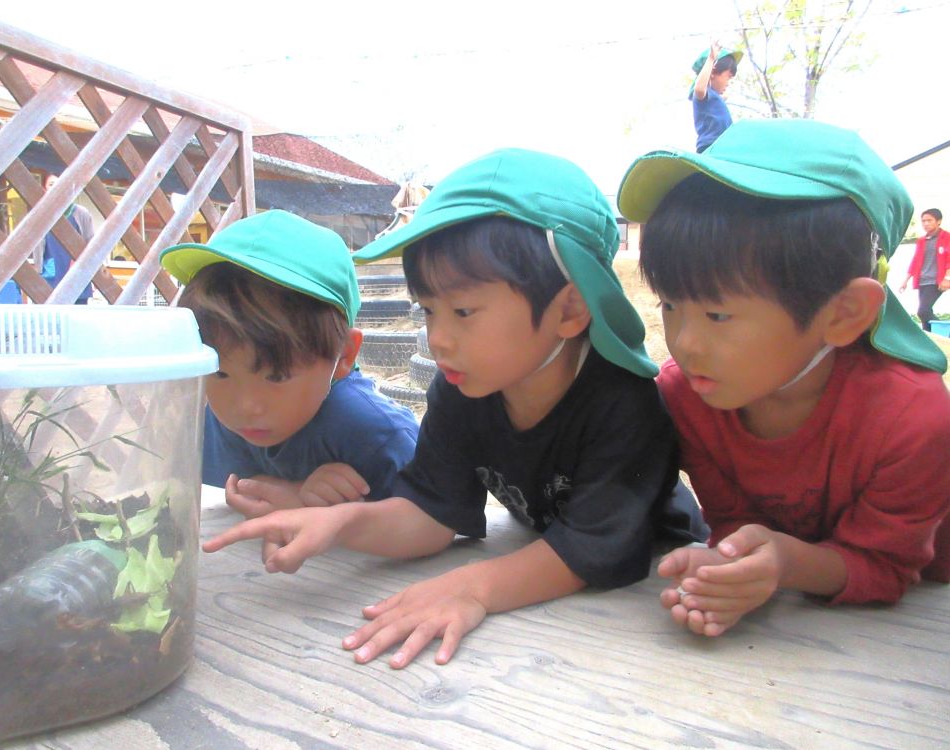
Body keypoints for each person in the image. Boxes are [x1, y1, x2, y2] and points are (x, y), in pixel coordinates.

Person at [201, 149, 707, 668]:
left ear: (571, 308)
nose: (437, 339)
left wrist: (473, 588)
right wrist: (339, 522)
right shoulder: (465, 389)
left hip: (653, 596)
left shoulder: (622, 403)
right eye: (429, 309)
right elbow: (431, 515)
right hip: (545, 573)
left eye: (463, 311)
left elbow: (595, 549)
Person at [617, 119, 950, 638]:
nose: (685, 343)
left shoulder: (914, 416)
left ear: (844, 314)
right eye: (670, 304)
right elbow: (732, 522)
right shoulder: (687, 395)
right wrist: (733, 566)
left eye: (719, 315)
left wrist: (786, 565)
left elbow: (887, 568)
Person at [159, 209, 419, 514]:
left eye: (277, 376)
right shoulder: (207, 424)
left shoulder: (375, 435)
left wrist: (340, 509)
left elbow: (440, 520)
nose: (245, 406)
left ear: (345, 356)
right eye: (220, 373)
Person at [32, 173, 95, 303]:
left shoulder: (81, 213)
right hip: (51, 276)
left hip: (77, 276)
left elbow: (92, 244)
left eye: (59, 183)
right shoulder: (41, 216)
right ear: (44, 189)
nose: (55, 188)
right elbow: (38, 250)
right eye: (51, 184)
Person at [899, 208, 950, 331]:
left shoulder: (946, 237)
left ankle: (945, 335)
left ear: (939, 221)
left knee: (923, 311)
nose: (926, 224)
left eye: (929, 220)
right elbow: (915, 261)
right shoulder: (921, 240)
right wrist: (905, 280)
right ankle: (931, 339)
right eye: (923, 221)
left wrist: (947, 278)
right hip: (922, 281)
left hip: (936, 281)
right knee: (925, 314)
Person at [690, 42, 742, 153]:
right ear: (713, 71)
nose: (728, 83)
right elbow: (699, 88)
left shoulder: (713, 98)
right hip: (711, 146)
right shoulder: (703, 94)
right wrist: (711, 59)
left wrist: (721, 100)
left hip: (723, 145)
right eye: (728, 77)